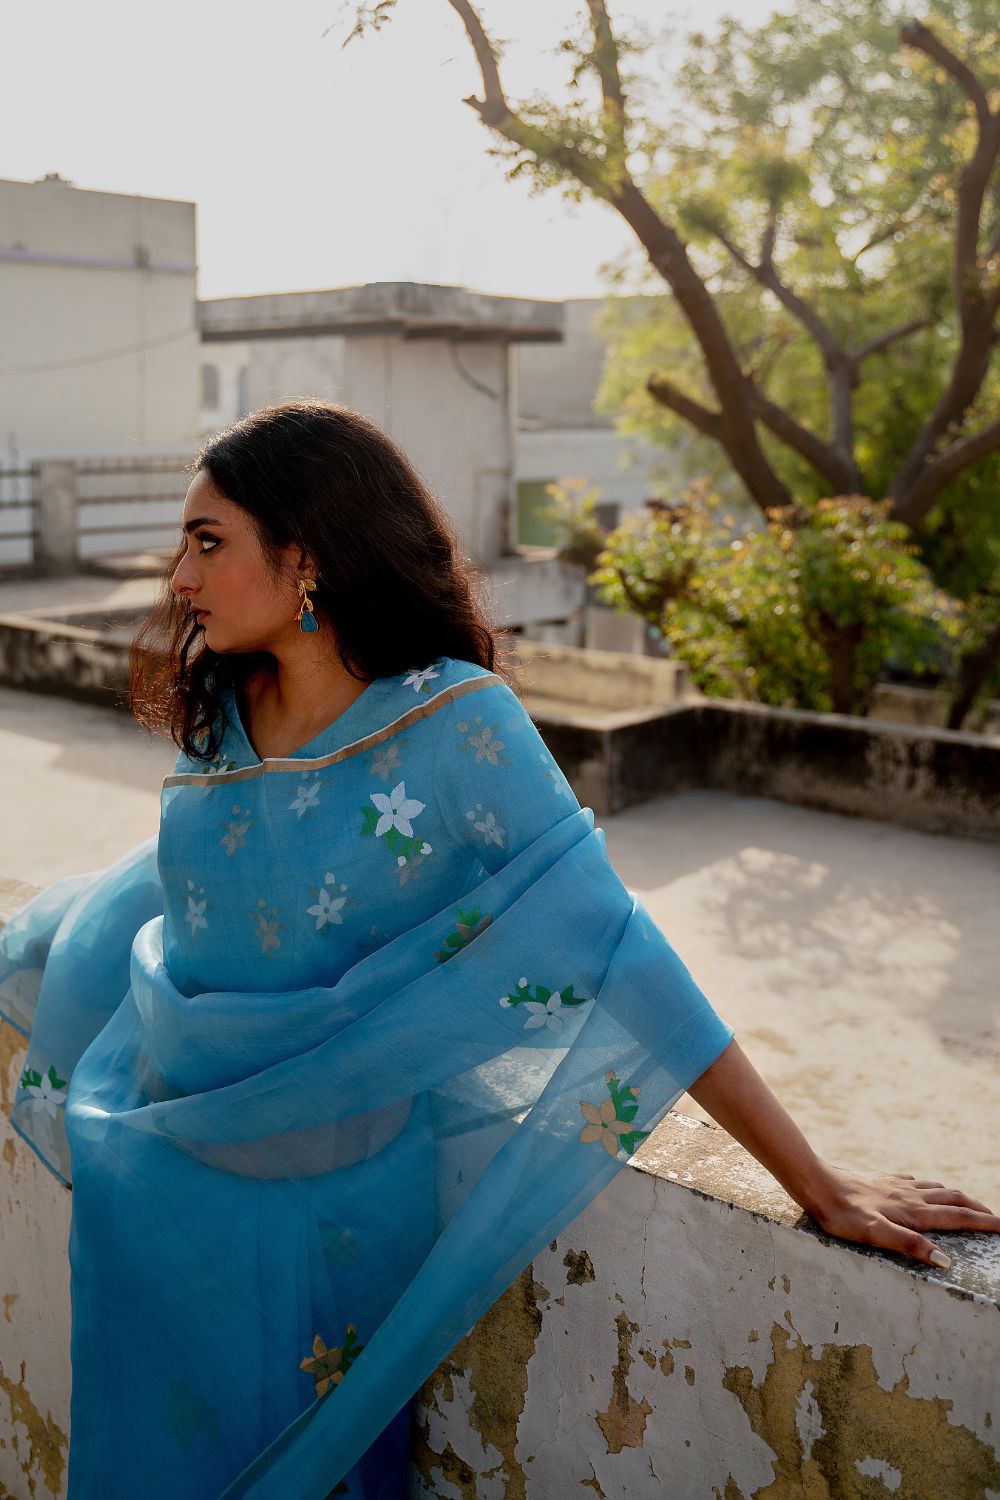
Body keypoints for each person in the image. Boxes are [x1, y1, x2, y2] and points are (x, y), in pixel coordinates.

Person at [1, 399, 996, 1500]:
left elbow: (609, 943)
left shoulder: (453, 724)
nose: (179, 577)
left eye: (207, 541)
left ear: (307, 555)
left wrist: (814, 1180)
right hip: (156, 1204)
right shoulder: (221, 717)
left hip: (340, 1224)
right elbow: (181, 906)